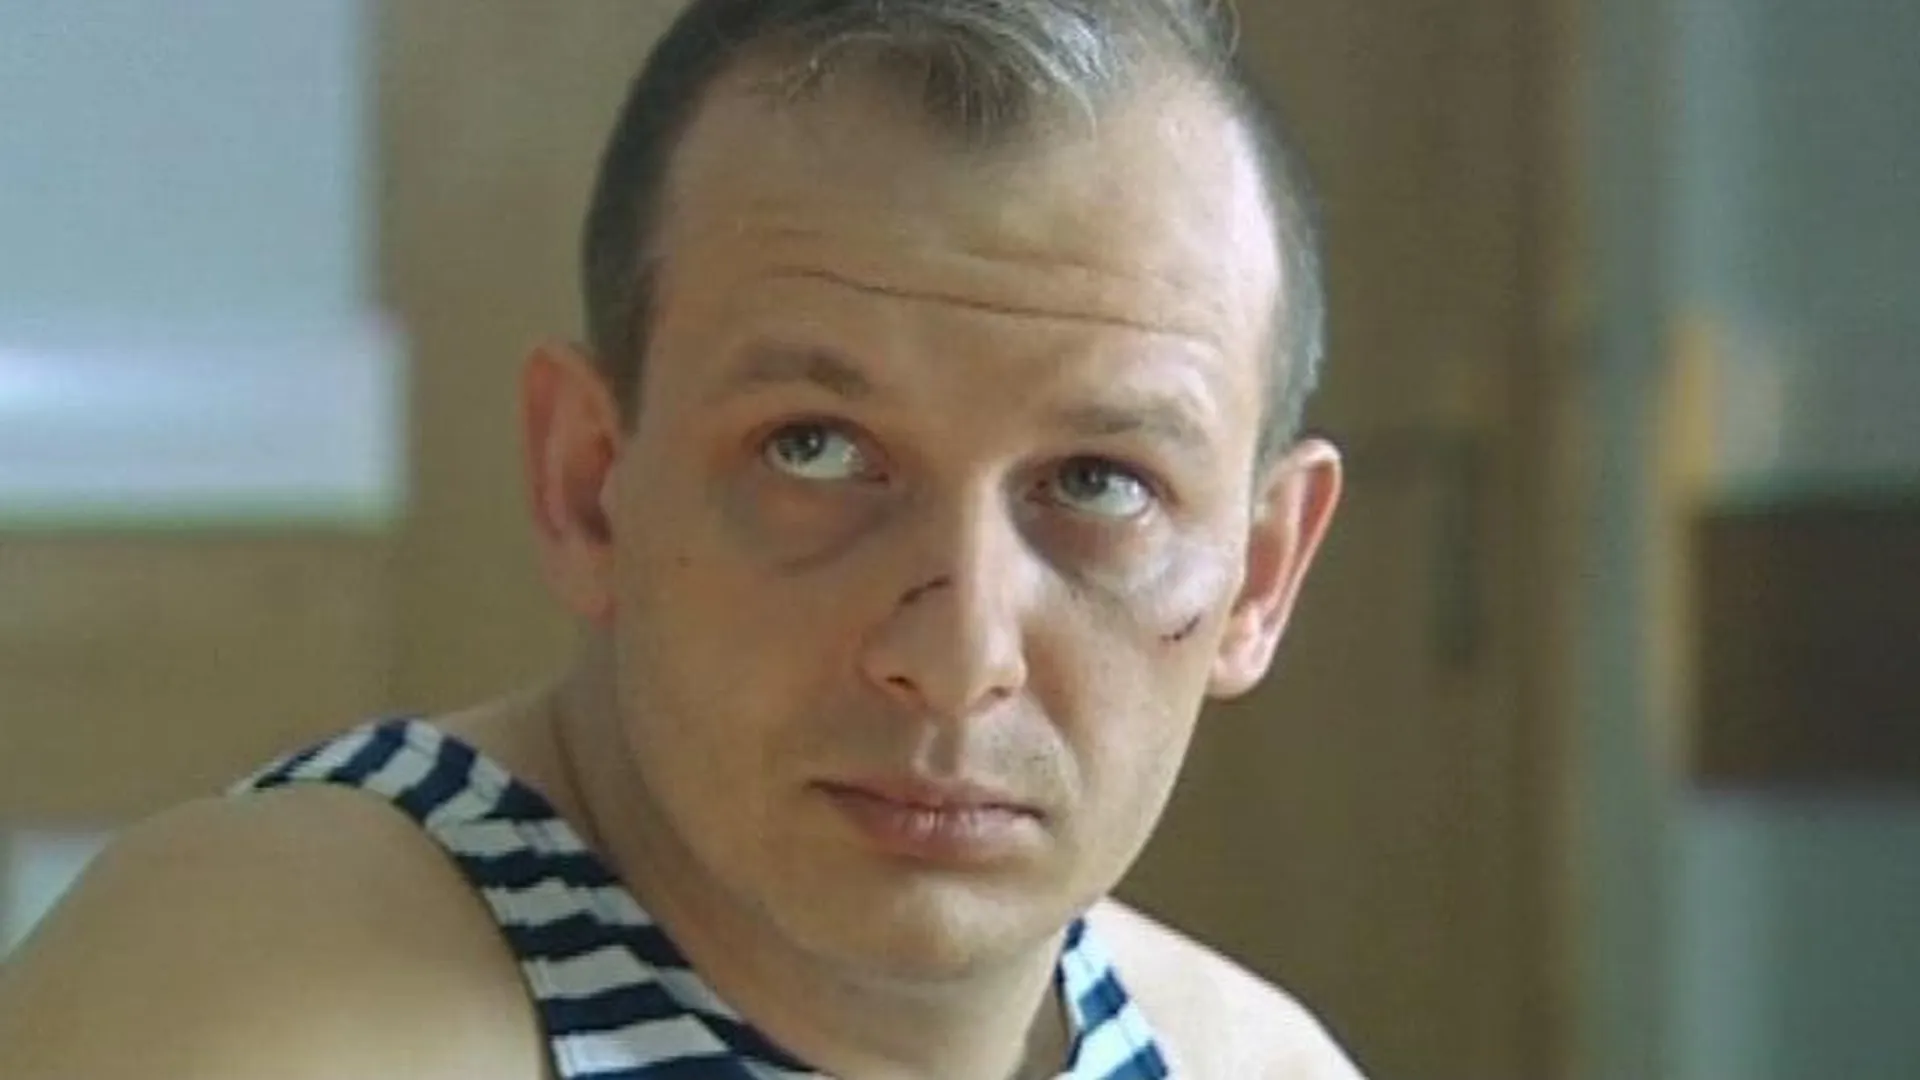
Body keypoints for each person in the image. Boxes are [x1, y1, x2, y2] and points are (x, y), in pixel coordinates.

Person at [0, 1, 1355, 1076]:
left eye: (1101, 484)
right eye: (814, 448)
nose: (958, 659)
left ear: (1262, 574)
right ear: (591, 485)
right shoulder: (260, 1000)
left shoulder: (1247, 1060)